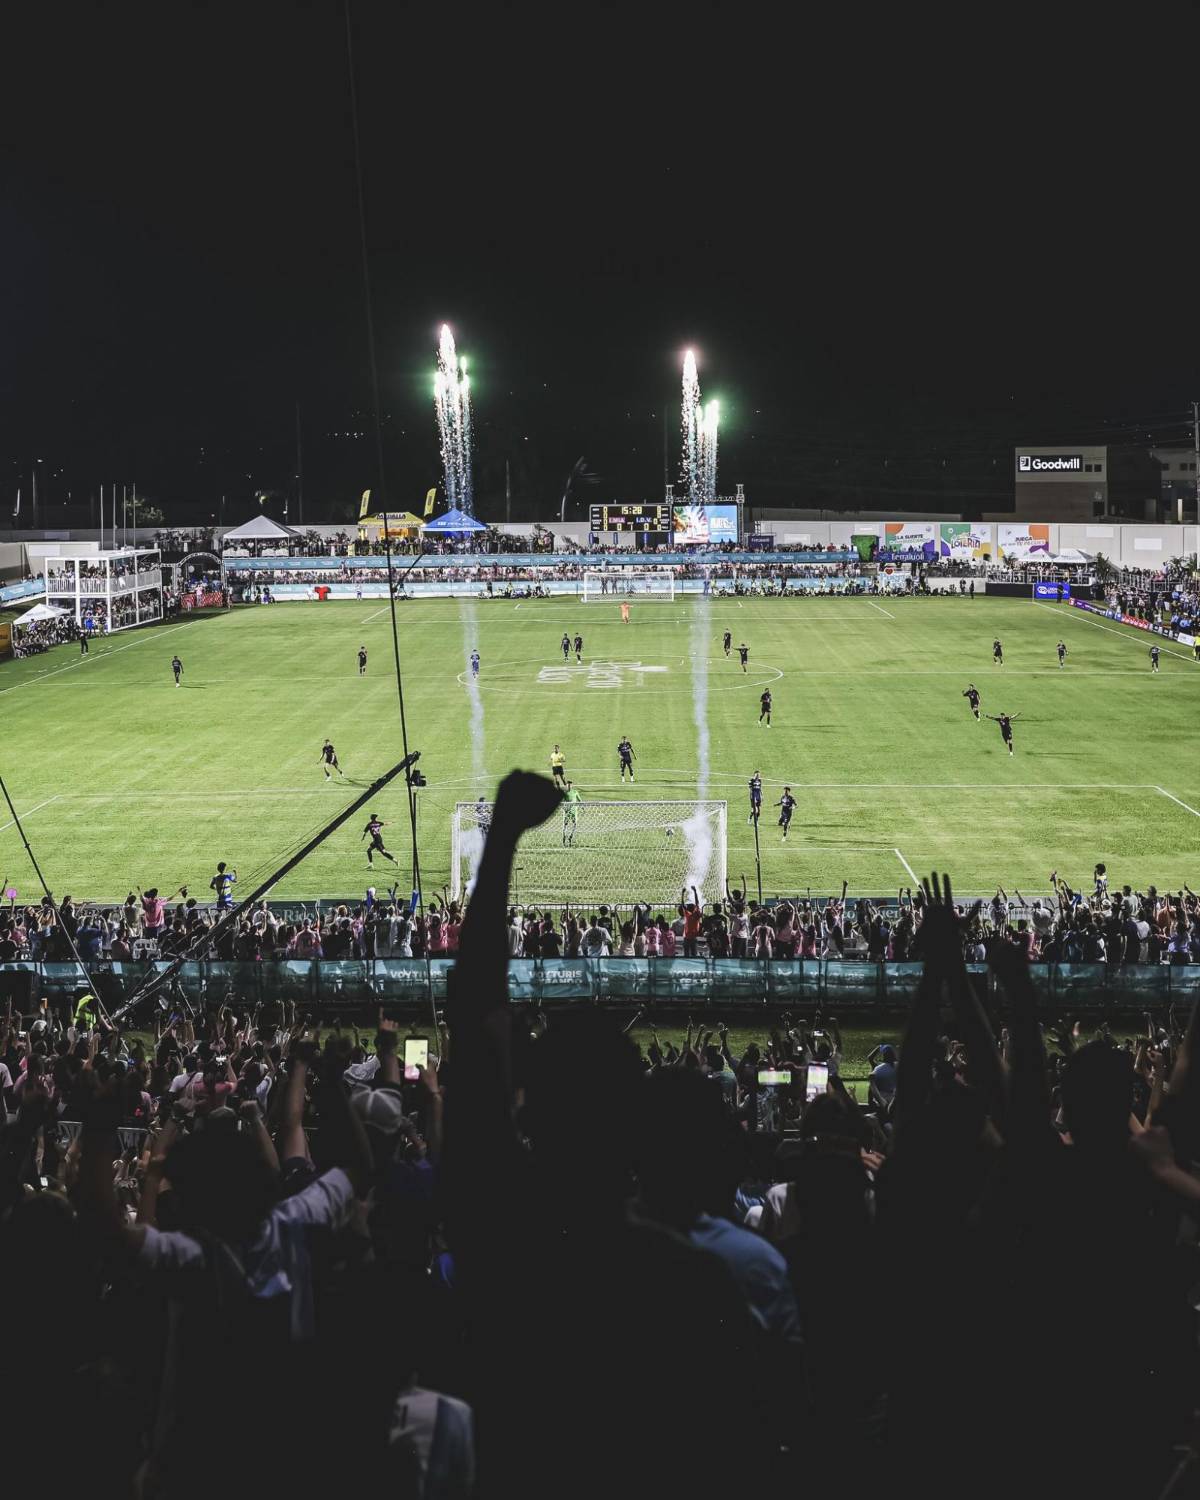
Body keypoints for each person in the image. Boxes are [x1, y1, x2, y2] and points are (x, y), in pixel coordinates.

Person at [562, 780, 581, 846]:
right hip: (567, 812)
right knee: (565, 825)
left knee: (575, 824)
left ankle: (570, 836)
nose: (569, 785)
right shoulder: (565, 793)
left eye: (570, 784)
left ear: (572, 785)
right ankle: (564, 838)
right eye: (568, 784)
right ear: (567, 785)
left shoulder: (575, 792)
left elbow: (580, 800)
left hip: (574, 811)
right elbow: (562, 802)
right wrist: (564, 808)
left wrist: (582, 807)